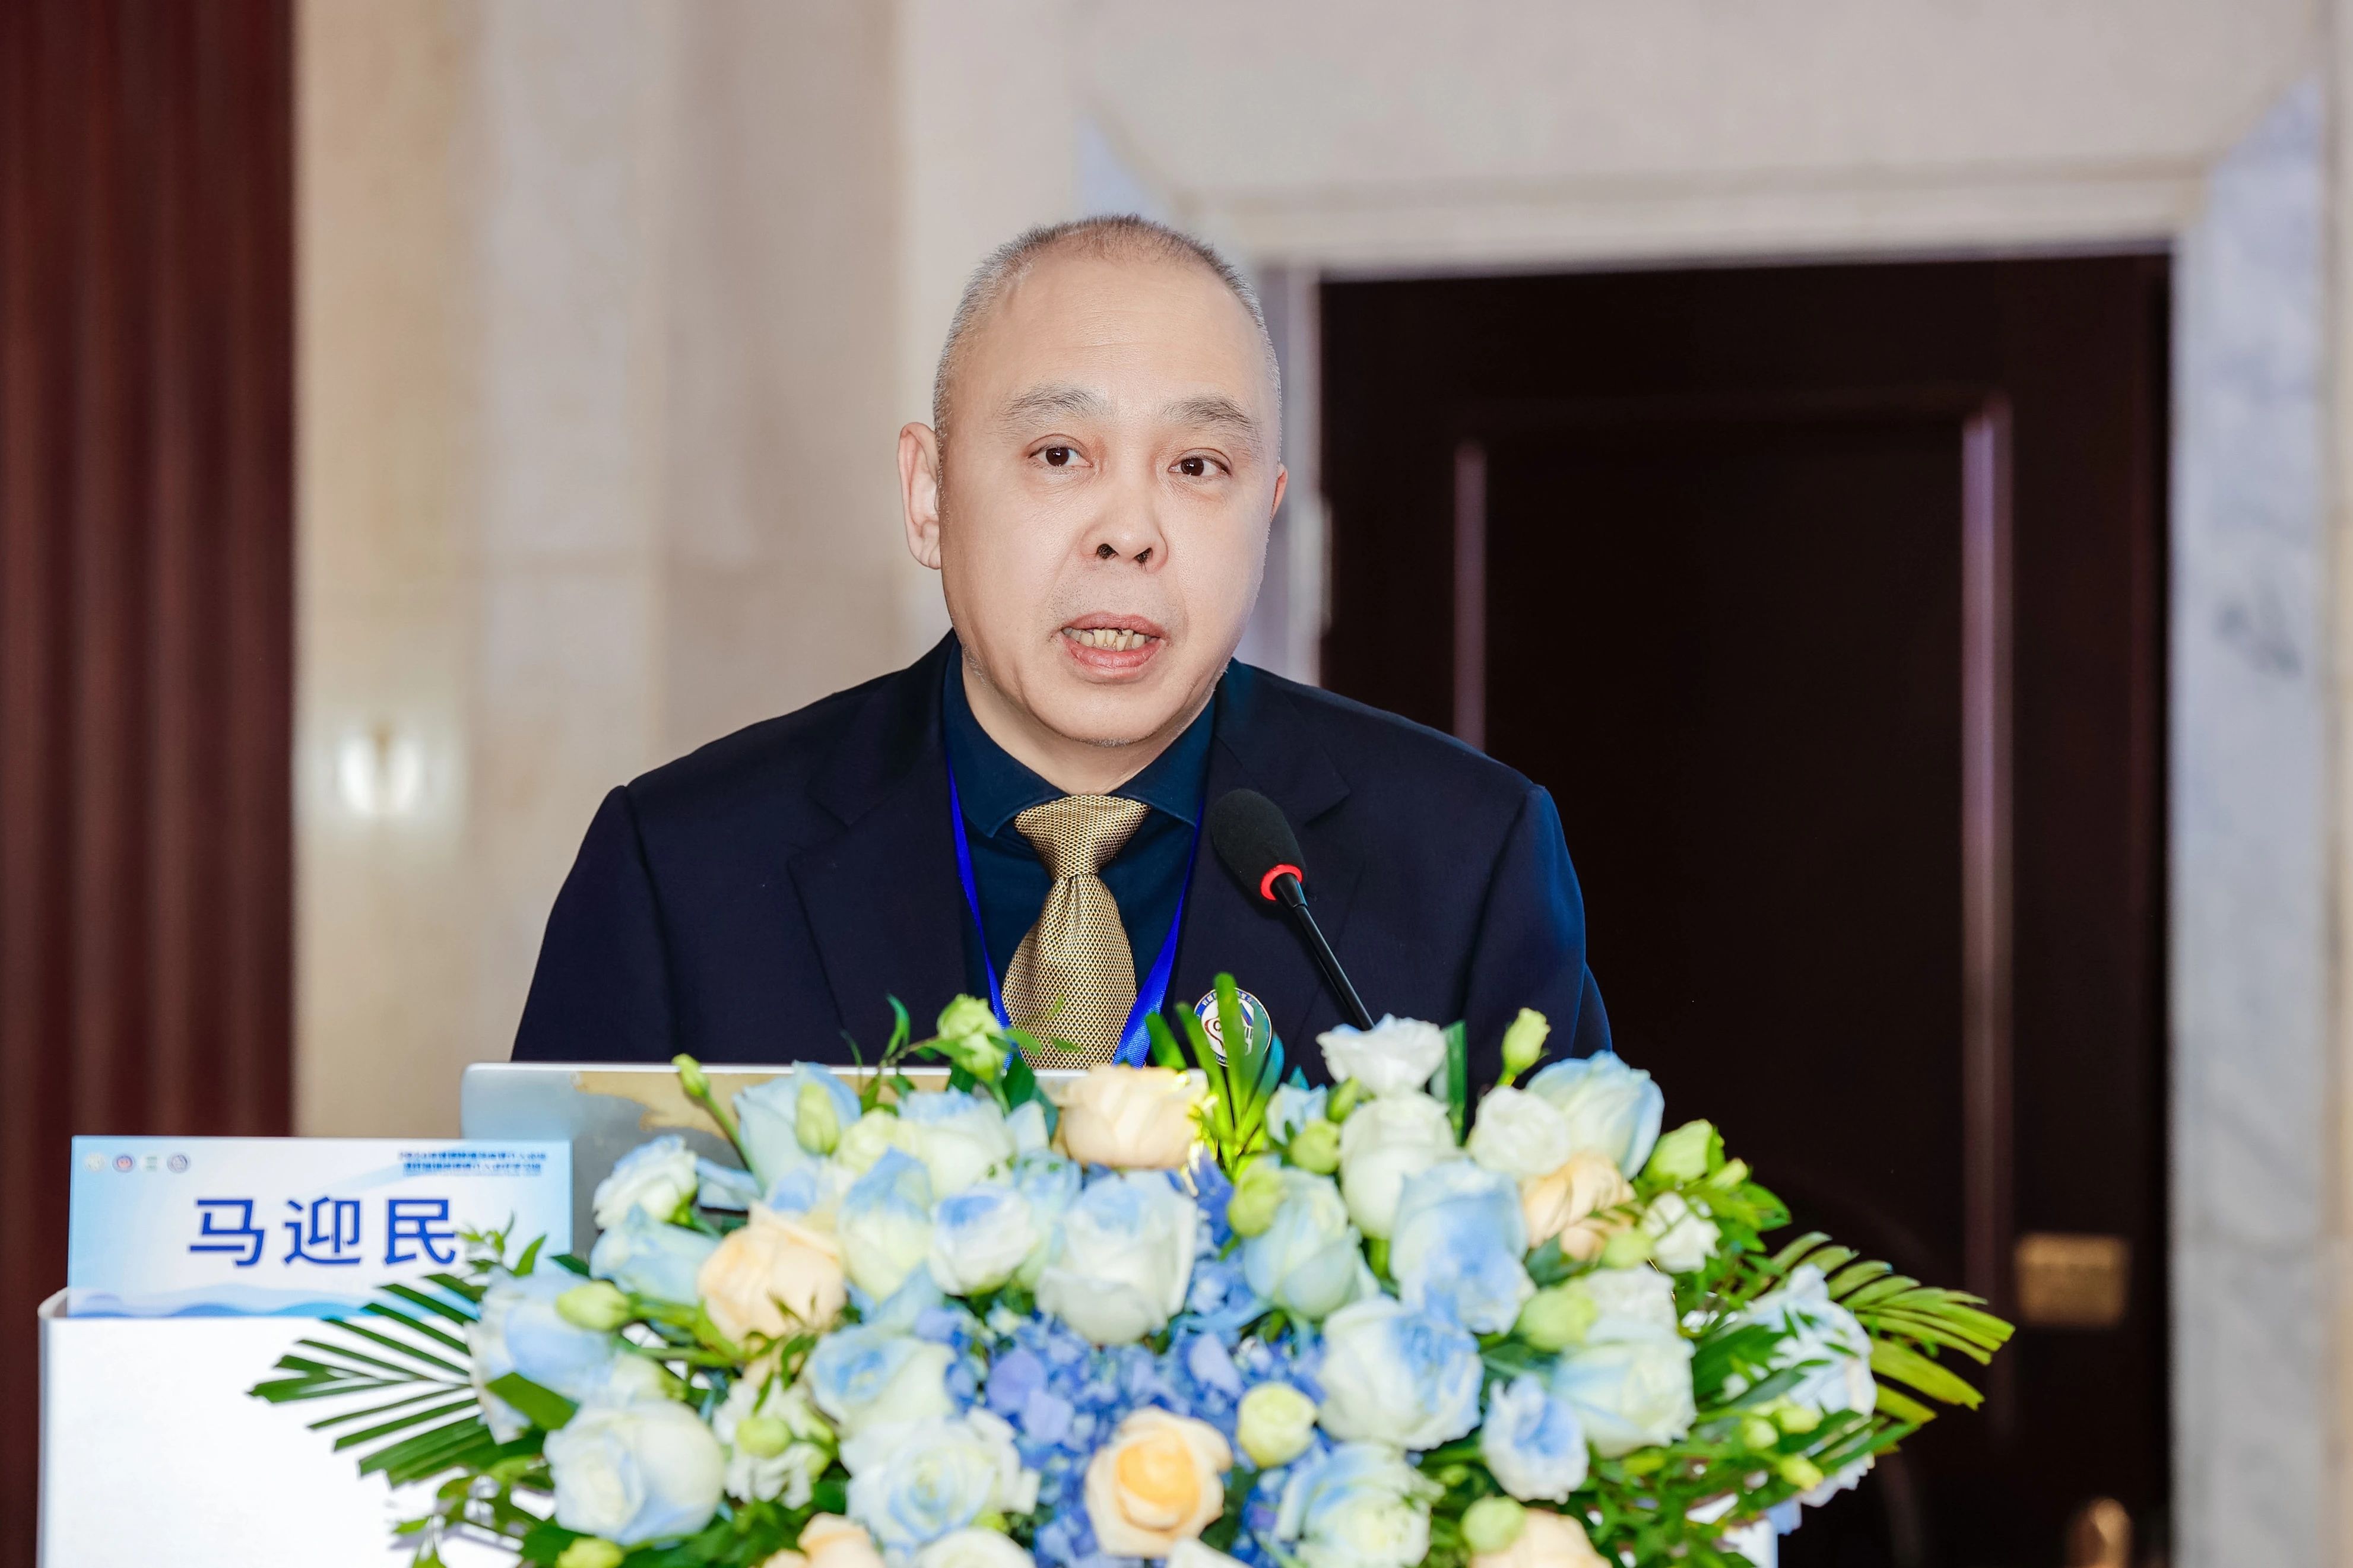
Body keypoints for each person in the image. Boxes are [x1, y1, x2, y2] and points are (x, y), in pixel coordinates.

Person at [512, 215, 1608, 1081]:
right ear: (930, 495)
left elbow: (1589, 1274)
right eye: (1058, 454)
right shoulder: (681, 871)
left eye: (1197, 467)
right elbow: (550, 1284)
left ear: (1266, 516)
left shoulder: (1468, 861)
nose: (1128, 531)